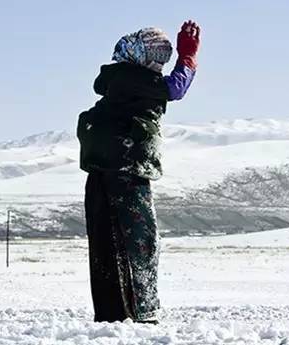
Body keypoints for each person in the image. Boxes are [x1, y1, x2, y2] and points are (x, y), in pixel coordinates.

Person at [77, 20, 200, 324]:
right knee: (142, 240)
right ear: (138, 56)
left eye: (166, 57)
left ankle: (112, 315)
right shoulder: (134, 77)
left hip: (100, 171)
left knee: (106, 242)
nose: (161, 64)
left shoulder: (118, 81)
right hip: (127, 169)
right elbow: (176, 88)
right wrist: (188, 58)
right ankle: (145, 312)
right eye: (157, 56)